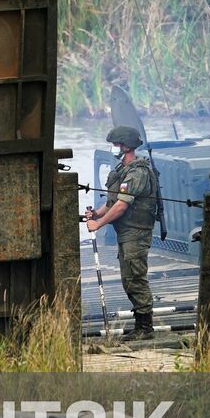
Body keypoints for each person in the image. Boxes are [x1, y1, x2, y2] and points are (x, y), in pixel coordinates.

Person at [85, 126, 158, 341]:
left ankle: (145, 327)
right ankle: (141, 325)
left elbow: (121, 207)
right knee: (129, 279)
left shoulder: (138, 172)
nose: (114, 148)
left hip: (136, 233)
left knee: (136, 278)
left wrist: (98, 226)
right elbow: (113, 203)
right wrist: (96, 214)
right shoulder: (122, 169)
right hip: (126, 233)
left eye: (117, 145)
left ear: (126, 146)